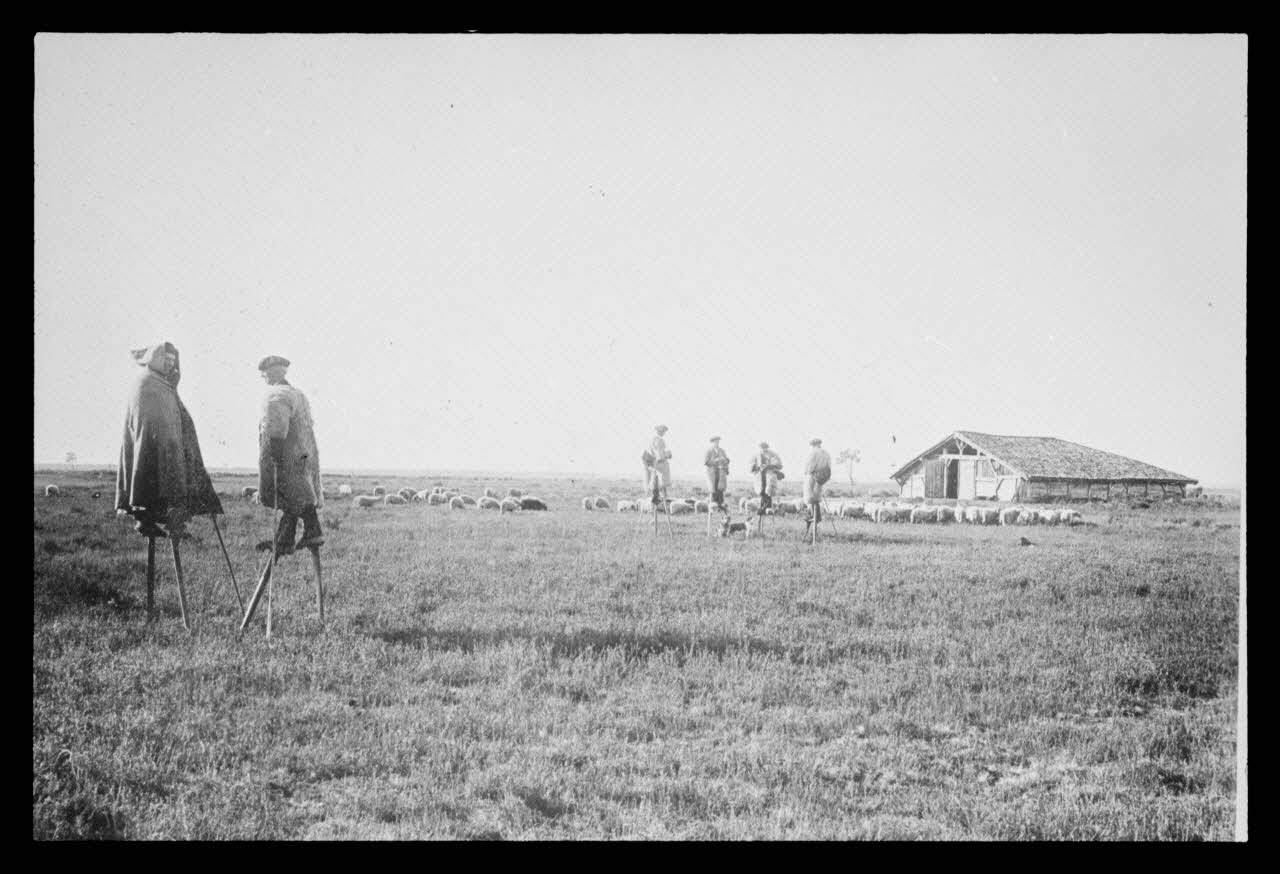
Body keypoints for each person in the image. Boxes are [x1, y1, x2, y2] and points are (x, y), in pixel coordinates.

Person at [115, 342, 223, 538]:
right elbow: (146, 420)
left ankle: (172, 523)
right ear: (154, 359)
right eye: (166, 359)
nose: (170, 364)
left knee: (171, 483)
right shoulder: (147, 382)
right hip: (154, 445)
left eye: (173, 361)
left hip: (169, 445)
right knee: (152, 480)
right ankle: (147, 521)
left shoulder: (161, 382)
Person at [257, 355, 324, 555]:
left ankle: (311, 532)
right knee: (295, 498)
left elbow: (277, 431)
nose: (263, 377)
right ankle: (284, 540)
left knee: (292, 496)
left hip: (287, 458)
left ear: (273, 372)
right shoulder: (299, 395)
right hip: (303, 455)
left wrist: (275, 458)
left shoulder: (276, 395)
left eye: (265, 373)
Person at [803, 437, 834, 531]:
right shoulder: (826, 453)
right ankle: (816, 516)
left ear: (813, 445)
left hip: (812, 477)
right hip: (821, 478)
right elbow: (829, 467)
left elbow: (809, 467)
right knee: (817, 498)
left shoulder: (813, 453)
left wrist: (807, 472)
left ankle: (813, 516)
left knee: (810, 498)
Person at [749, 441, 784, 512]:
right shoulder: (757, 455)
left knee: (768, 491)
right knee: (762, 492)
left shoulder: (772, 454)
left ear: (767, 448)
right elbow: (752, 465)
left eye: (765, 447)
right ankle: (762, 507)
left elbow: (778, 464)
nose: (763, 449)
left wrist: (769, 466)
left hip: (769, 474)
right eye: (762, 447)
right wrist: (756, 467)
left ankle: (767, 507)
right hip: (760, 476)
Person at [643, 424, 673, 505]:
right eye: (663, 431)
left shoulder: (652, 439)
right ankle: (658, 494)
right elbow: (660, 456)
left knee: (654, 477)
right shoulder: (659, 440)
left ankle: (656, 493)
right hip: (653, 462)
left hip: (648, 461)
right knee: (664, 470)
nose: (663, 433)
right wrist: (668, 455)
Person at [704, 435, 730, 511]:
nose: (717, 443)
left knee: (720, 489)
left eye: (718, 442)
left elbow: (727, 460)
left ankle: (721, 506)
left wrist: (725, 460)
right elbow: (706, 462)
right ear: (712, 443)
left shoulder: (722, 451)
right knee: (713, 489)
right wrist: (715, 460)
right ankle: (714, 506)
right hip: (712, 473)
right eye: (715, 442)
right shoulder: (709, 451)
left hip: (721, 472)